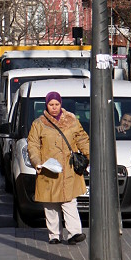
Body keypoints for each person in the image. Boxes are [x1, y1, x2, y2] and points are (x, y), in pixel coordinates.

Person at [27, 91, 90, 245]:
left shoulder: (72, 121)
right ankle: (54, 235)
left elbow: (82, 138)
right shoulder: (38, 124)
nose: (54, 107)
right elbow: (33, 145)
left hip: (69, 170)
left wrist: (89, 155)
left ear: (61, 104)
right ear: (46, 105)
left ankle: (74, 233)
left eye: (56, 104)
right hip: (48, 171)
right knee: (50, 204)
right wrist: (36, 162)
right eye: (51, 104)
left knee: (69, 202)